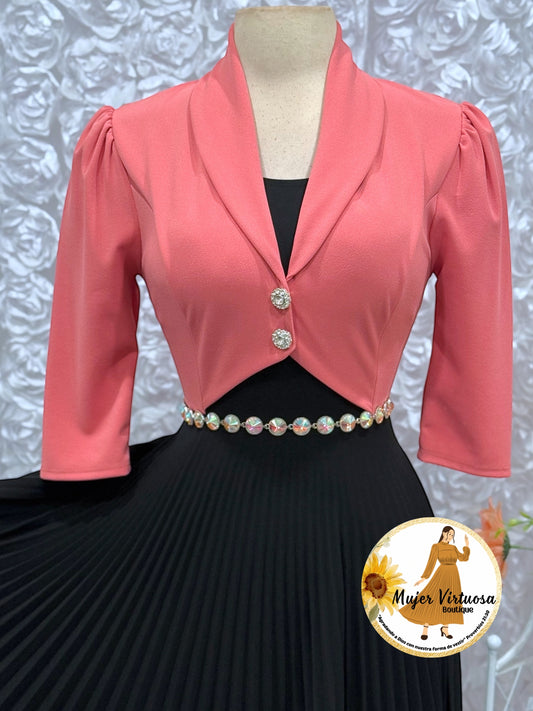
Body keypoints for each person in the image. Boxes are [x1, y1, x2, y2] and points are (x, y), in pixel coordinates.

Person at [0, 5, 513, 710]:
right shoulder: (132, 141)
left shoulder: (443, 137)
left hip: (373, 524)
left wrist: (468, 432)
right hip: (196, 524)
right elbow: (90, 333)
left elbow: (476, 320)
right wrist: (81, 456)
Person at [399, 526, 471, 640]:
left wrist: (466, 545)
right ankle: (425, 628)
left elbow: (463, 558)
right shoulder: (436, 546)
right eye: (449, 534)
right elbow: (431, 562)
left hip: (453, 575)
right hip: (441, 574)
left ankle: (445, 628)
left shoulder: (453, 547)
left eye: (452, 535)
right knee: (432, 598)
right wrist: (424, 578)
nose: (450, 537)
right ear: (443, 533)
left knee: (449, 601)